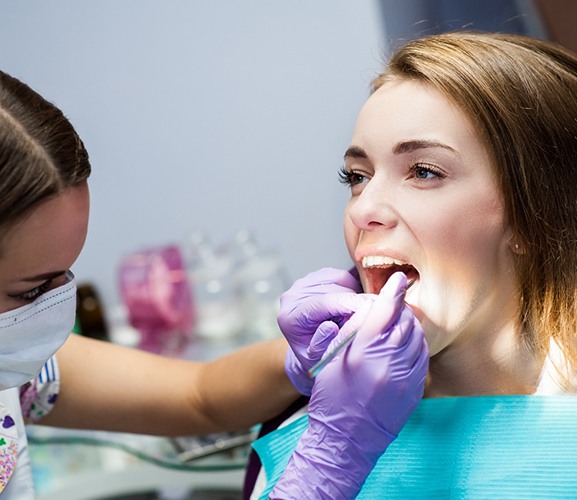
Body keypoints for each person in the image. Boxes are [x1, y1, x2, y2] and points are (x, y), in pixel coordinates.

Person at [0, 67, 427, 498]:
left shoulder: (16, 370)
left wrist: (307, 355)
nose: (362, 211)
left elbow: (198, 397)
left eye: (425, 172)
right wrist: (330, 461)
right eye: (30, 292)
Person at [250, 30, 577, 498]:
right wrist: (330, 452)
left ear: (533, 215)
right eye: (357, 177)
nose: (362, 211)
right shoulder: (315, 432)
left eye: (424, 172)